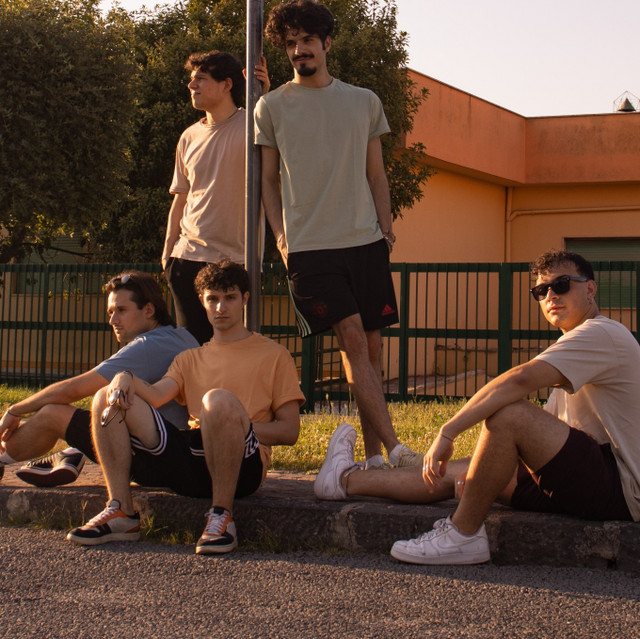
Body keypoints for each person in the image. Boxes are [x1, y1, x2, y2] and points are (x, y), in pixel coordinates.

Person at [314, 249, 640, 565]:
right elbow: (549, 438)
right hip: (589, 478)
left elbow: (520, 379)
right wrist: (482, 481)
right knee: (469, 469)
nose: (551, 295)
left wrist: (448, 431)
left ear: (590, 289)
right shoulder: (573, 344)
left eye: (562, 285)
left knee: (510, 413)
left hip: (622, 486)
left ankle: (464, 533)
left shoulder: (603, 332)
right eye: (541, 291)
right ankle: (343, 480)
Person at [255, 0, 419, 469]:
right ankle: (397, 448)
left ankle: (373, 457)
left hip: (365, 242)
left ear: (326, 43)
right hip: (310, 248)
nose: (298, 50)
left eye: (307, 40)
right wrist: (282, 240)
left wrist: (386, 232)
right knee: (351, 338)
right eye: (290, 43)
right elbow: (268, 181)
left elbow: (377, 175)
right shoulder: (271, 106)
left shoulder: (364, 101)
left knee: (369, 350)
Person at [67, 260, 305, 554]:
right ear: (202, 301)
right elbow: (155, 396)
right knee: (106, 395)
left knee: (217, 401)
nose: (221, 307)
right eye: (213, 299)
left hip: (244, 464)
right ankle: (121, 511)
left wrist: (227, 429)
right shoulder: (189, 358)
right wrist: (124, 376)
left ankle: (222, 516)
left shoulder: (275, 355)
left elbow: (289, 431)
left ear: (245, 299)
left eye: (230, 297)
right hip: (191, 458)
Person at [0, 272, 198, 486]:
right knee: (116, 400)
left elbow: (73, 390)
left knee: (52, 413)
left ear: (149, 310)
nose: (113, 320)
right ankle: (72, 453)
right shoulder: (181, 335)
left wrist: (15, 410)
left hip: (158, 459)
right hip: (180, 448)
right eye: (110, 312)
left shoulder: (147, 346)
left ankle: (3, 458)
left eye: (121, 310)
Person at [163, 51, 269, 345]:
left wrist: (265, 98)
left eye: (200, 78)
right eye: (191, 79)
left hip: (237, 261)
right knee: (192, 350)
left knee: (233, 349)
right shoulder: (188, 136)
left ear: (226, 84)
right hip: (187, 257)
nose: (191, 85)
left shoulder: (253, 124)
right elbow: (181, 198)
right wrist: (168, 253)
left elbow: (283, 133)